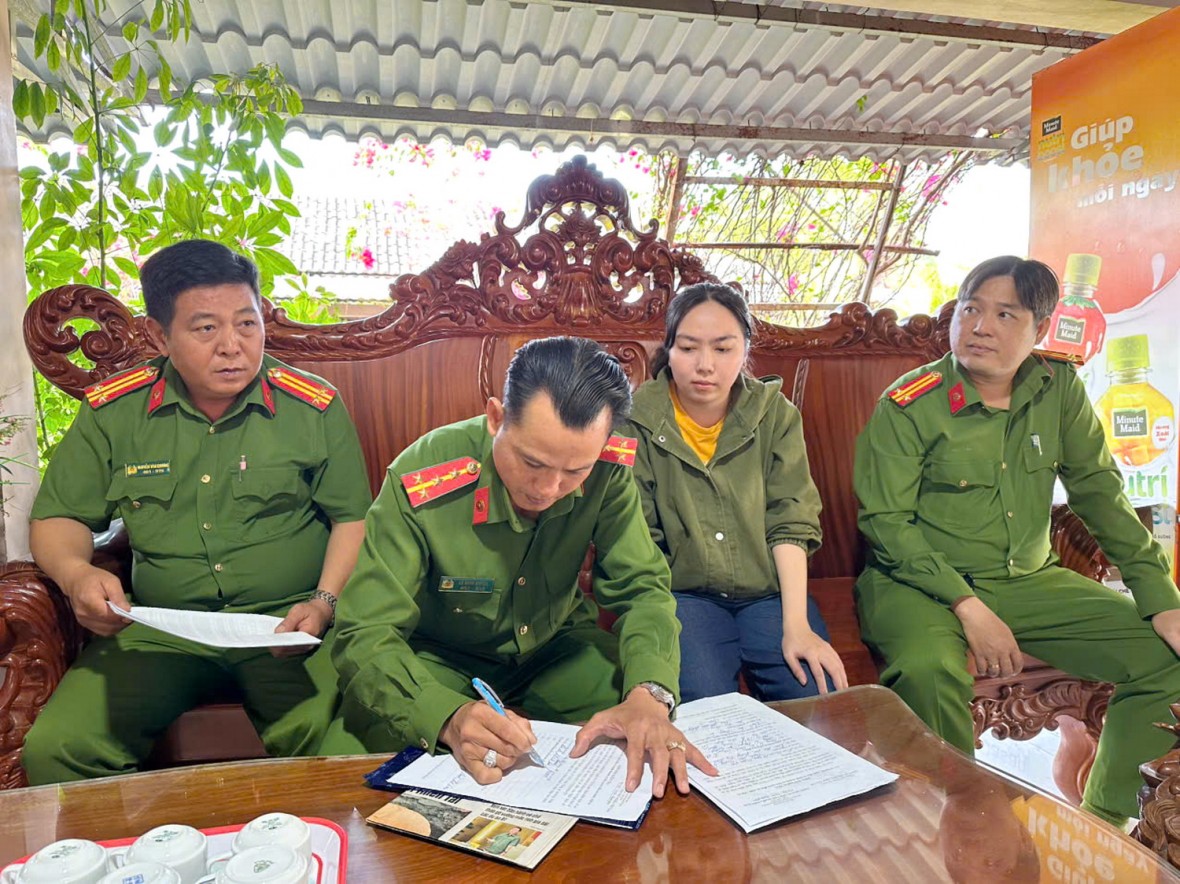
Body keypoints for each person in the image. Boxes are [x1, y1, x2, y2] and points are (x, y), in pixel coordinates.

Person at [22, 239, 372, 783]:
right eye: (206, 328)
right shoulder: (116, 411)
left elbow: (353, 517)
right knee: (58, 748)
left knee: (350, 746)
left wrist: (323, 603)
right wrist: (76, 574)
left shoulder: (312, 406)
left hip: (286, 626)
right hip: (161, 628)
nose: (233, 346)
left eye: (247, 324)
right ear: (159, 335)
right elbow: (58, 517)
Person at [854, 255, 1180, 826]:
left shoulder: (1059, 389)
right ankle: (961, 825)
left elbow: (1100, 495)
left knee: (1166, 659)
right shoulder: (911, 403)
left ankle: (1103, 825)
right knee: (929, 669)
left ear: (1040, 327)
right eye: (970, 309)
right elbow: (886, 524)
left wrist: (1161, 599)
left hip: (1029, 580)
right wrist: (968, 606)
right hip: (918, 584)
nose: (979, 327)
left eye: (1005, 314)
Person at [324, 336, 716, 797]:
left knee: (652, 740)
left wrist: (650, 695)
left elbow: (643, 590)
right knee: (347, 770)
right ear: (496, 418)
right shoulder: (424, 475)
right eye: (532, 462)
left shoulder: (608, 468)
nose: (548, 489)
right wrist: (447, 717)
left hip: (557, 649)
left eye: (575, 472)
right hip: (440, 659)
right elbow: (364, 632)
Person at [626, 283, 847, 702]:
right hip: (683, 597)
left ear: (745, 350)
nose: (705, 365)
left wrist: (797, 625)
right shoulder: (635, 420)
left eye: (723, 348)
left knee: (820, 696)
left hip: (770, 595)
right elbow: (639, 539)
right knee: (706, 704)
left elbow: (790, 518)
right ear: (668, 349)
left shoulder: (774, 414)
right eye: (688, 348)